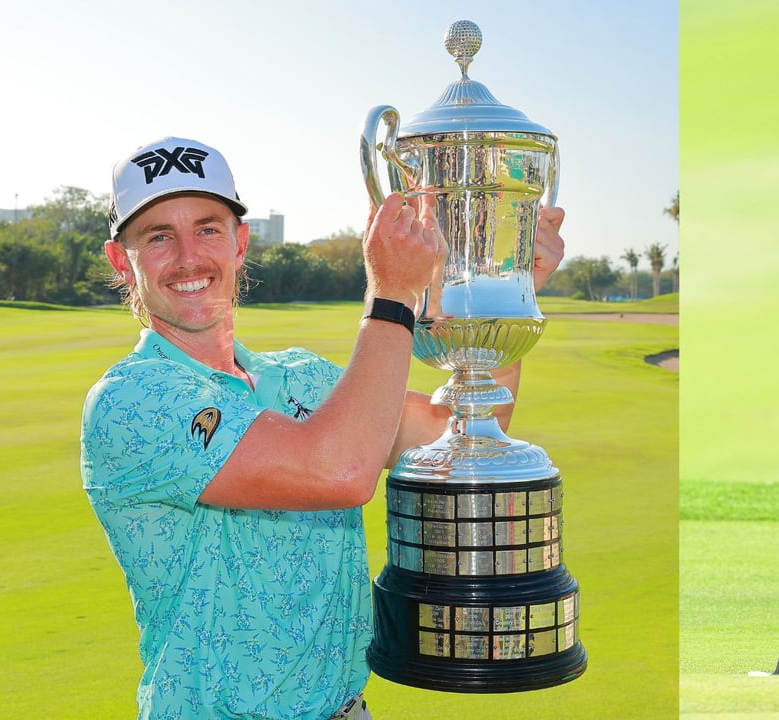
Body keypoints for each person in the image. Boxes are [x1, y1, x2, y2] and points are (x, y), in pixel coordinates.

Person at [80, 136, 565, 718]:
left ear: (239, 242)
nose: (189, 256)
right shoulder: (130, 400)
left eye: (208, 228)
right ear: (120, 259)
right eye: (159, 237)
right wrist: (392, 291)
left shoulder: (302, 378)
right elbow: (339, 470)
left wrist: (505, 287)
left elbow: (461, 430)